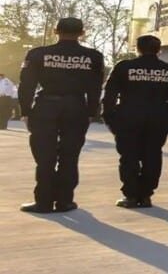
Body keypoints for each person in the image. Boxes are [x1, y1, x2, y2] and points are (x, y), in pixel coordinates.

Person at [18, 18, 104, 213]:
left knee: (44, 156)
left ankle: (43, 202)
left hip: (46, 106)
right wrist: (91, 112)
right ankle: (65, 201)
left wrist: (25, 111)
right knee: (70, 155)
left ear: (55, 30)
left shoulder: (38, 54)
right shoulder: (93, 56)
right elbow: (95, 88)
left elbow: (27, 85)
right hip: (76, 107)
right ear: (82, 32)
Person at [101, 35, 168, 208]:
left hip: (128, 117)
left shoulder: (124, 67)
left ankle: (130, 195)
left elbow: (109, 94)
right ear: (159, 50)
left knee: (128, 156)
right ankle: (145, 195)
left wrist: (109, 117)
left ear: (137, 48)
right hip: (157, 118)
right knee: (152, 155)